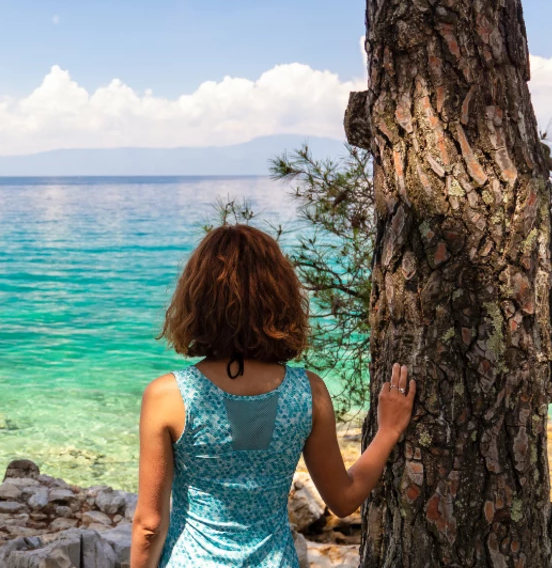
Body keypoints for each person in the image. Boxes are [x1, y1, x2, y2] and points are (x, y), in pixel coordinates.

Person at [131, 224, 416, 568]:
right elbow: (343, 500)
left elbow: (149, 525)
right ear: (279, 299)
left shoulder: (168, 395)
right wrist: (388, 432)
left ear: (197, 301)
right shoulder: (307, 391)